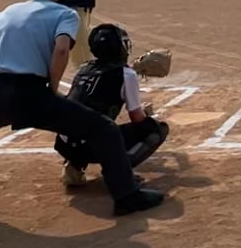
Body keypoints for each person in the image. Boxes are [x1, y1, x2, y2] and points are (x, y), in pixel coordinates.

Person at [0, 0, 165, 217]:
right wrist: (52, 89)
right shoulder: (65, 13)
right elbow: (62, 49)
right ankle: (126, 196)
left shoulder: (8, 12)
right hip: (32, 92)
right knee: (104, 129)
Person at [55, 23, 171, 187]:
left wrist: (133, 69)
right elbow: (136, 118)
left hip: (64, 144)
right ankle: (119, 173)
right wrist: (146, 115)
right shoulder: (126, 75)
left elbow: (102, 81)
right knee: (154, 128)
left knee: (87, 119)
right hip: (92, 147)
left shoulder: (84, 68)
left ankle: (74, 166)